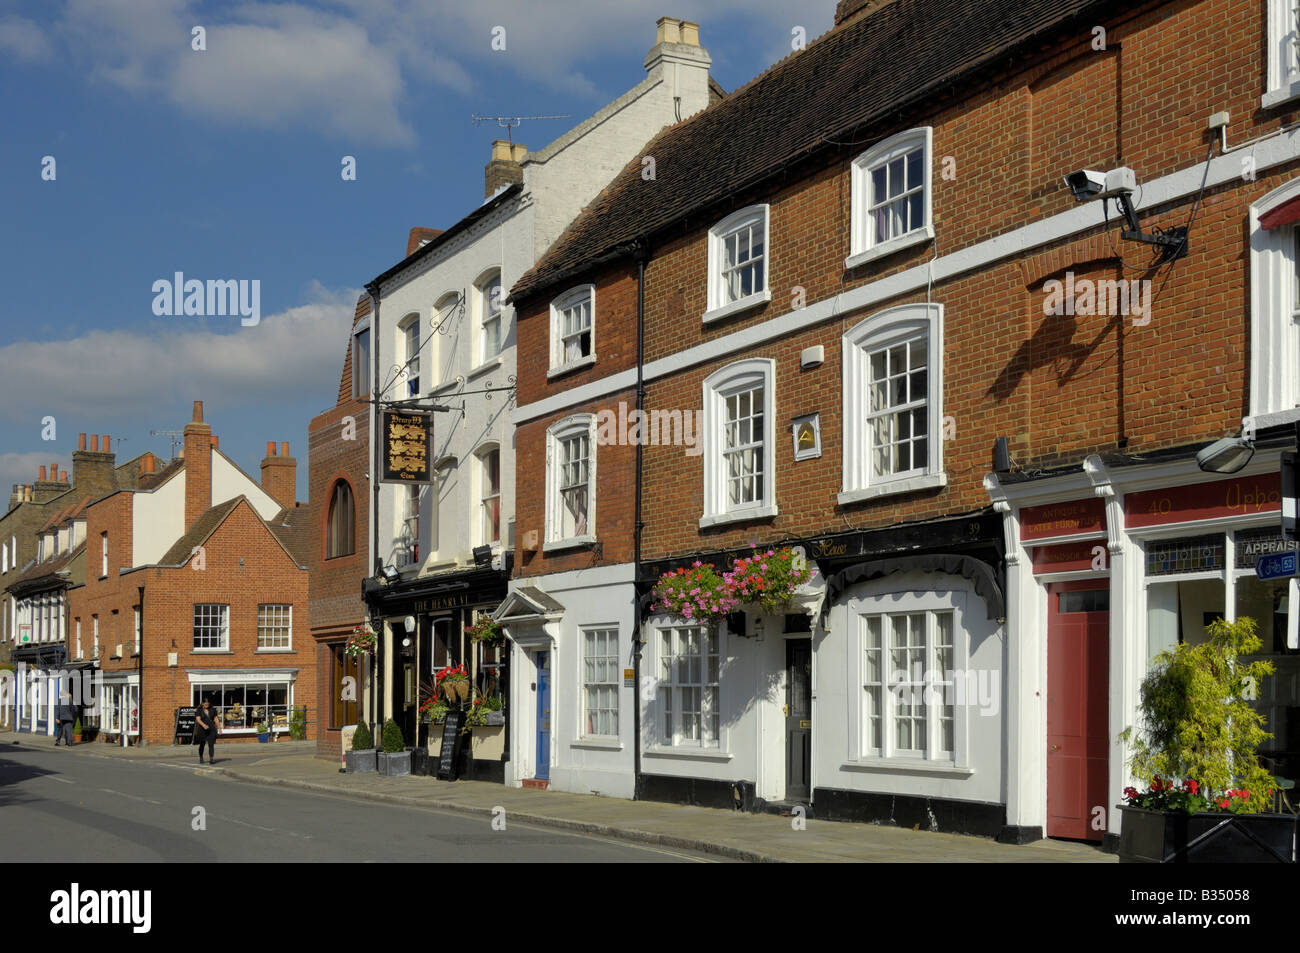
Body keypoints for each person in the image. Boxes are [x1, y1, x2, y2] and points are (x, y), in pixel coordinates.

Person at [195, 699, 219, 764]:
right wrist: (203, 725)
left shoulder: (213, 709)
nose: (207, 705)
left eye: (208, 704)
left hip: (211, 729)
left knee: (211, 744)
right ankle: (201, 757)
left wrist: (219, 728)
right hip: (202, 729)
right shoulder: (199, 710)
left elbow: (216, 719)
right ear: (202, 703)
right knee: (202, 744)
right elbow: (198, 719)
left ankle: (211, 758)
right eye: (205, 704)